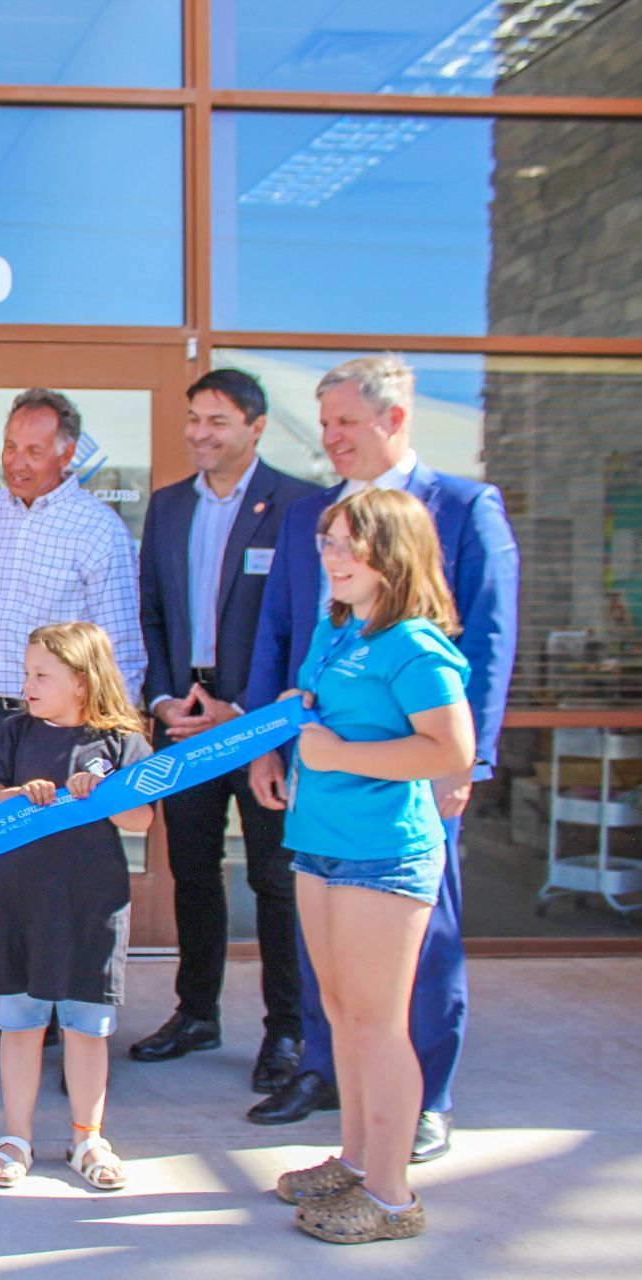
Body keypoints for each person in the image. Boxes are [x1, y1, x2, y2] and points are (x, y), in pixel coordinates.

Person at [244, 356, 519, 1166]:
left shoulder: (462, 507)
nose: (329, 439)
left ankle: (422, 1103)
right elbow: (284, 633)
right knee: (332, 965)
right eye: (323, 424)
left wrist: (461, 767)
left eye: (343, 424)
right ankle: (329, 1083)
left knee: (417, 954)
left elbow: (489, 642)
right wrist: (270, 742)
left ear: (394, 419)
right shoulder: (312, 518)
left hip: (413, 789)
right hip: (323, 797)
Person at [271, 489, 474, 1244]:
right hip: (319, 844)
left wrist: (342, 754)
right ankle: (355, 1162)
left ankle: (391, 1198)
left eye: (349, 545)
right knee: (342, 1012)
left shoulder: (414, 644)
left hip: (382, 855)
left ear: (392, 552)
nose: (332, 557)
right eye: (327, 542)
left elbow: (450, 749)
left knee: (379, 1023)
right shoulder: (338, 628)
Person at [130, 371, 319, 1092]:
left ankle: (288, 1030)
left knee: (275, 881)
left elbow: (306, 621)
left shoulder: (298, 505)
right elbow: (150, 615)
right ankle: (196, 1014)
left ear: (256, 426)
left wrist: (254, 712)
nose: (200, 433)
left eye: (217, 420)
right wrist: (163, 698)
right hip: (187, 718)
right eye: (193, 419)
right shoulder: (170, 506)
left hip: (263, 723)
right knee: (193, 874)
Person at [0, 387, 143, 1059]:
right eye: (10, 446)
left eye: (34, 449)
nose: (18, 461)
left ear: (69, 453)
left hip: (72, 733)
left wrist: (115, 746)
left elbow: (118, 645)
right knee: (12, 877)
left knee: (70, 879)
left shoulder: (97, 529)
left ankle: (78, 1025)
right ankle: (22, 1013)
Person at [0, 622, 154, 1193]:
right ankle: (16, 1138)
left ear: (82, 680)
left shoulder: (123, 741)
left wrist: (104, 796)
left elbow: (142, 821)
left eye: (42, 675)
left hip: (93, 904)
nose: (28, 685)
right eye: (26, 674)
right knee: (20, 1022)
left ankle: (86, 1138)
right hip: (21, 900)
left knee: (87, 1025)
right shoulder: (12, 733)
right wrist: (18, 796)